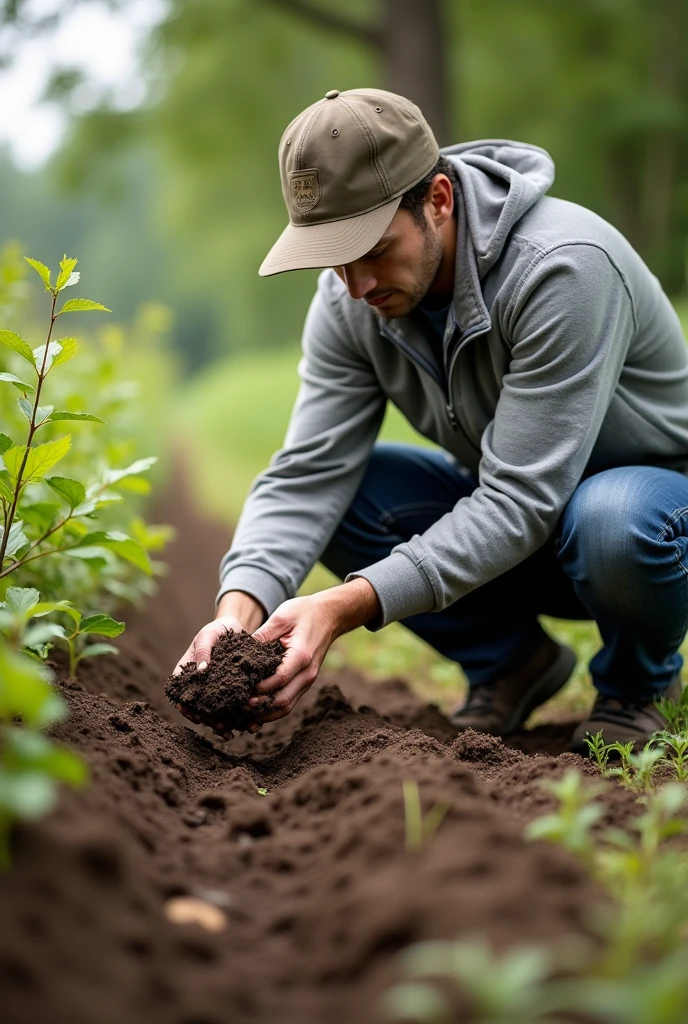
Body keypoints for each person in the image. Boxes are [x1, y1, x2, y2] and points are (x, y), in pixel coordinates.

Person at [173, 87, 688, 750]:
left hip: (650, 530)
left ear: (438, 200)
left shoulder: (563, 268)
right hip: (529, 529)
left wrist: (340, 607)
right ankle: (512, 663)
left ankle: (638, 684)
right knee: (348, 493)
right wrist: (238, 614)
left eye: (374, 250)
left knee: (612, 518)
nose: (355, 285)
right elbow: (307, 474)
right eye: (335, 259)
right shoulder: (349, 300)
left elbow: (521, 497)